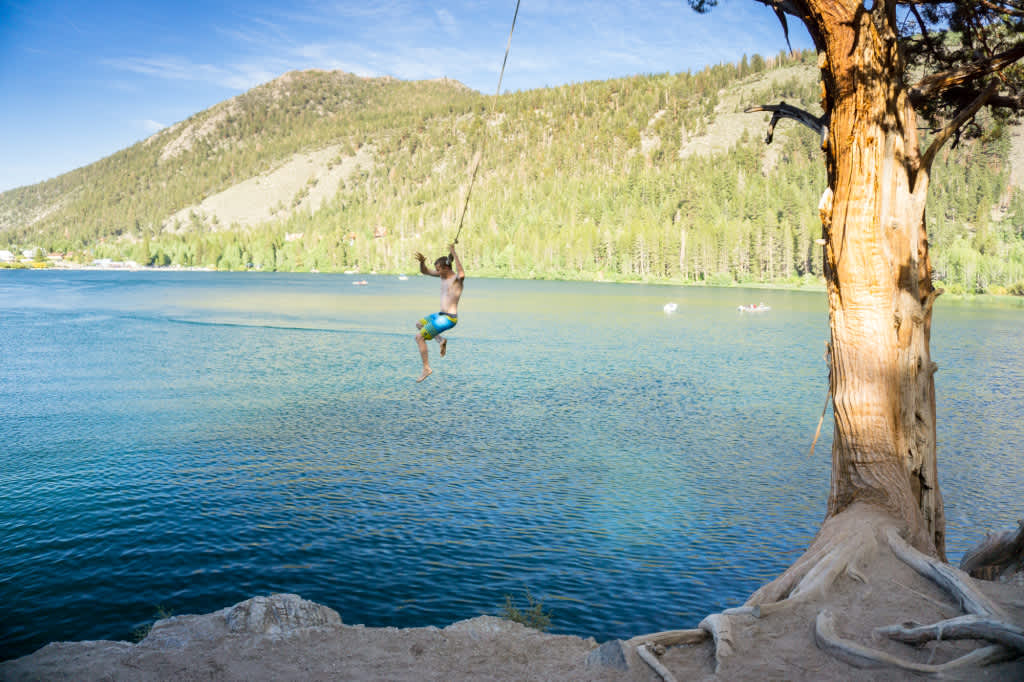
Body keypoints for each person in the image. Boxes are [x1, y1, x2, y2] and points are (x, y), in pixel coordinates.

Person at [413, 243, 465, 382]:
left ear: (446, 268)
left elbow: (462, 273)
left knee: (419, 337)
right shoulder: (443, 276)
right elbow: (425, 271)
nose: (437, 272)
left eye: (439, 269)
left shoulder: (456, 280)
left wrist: (454, 253)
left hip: (449, 319)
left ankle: (426, 368)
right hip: (440, 315)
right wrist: (422, 262)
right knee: (419, 324)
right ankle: (441, 340)